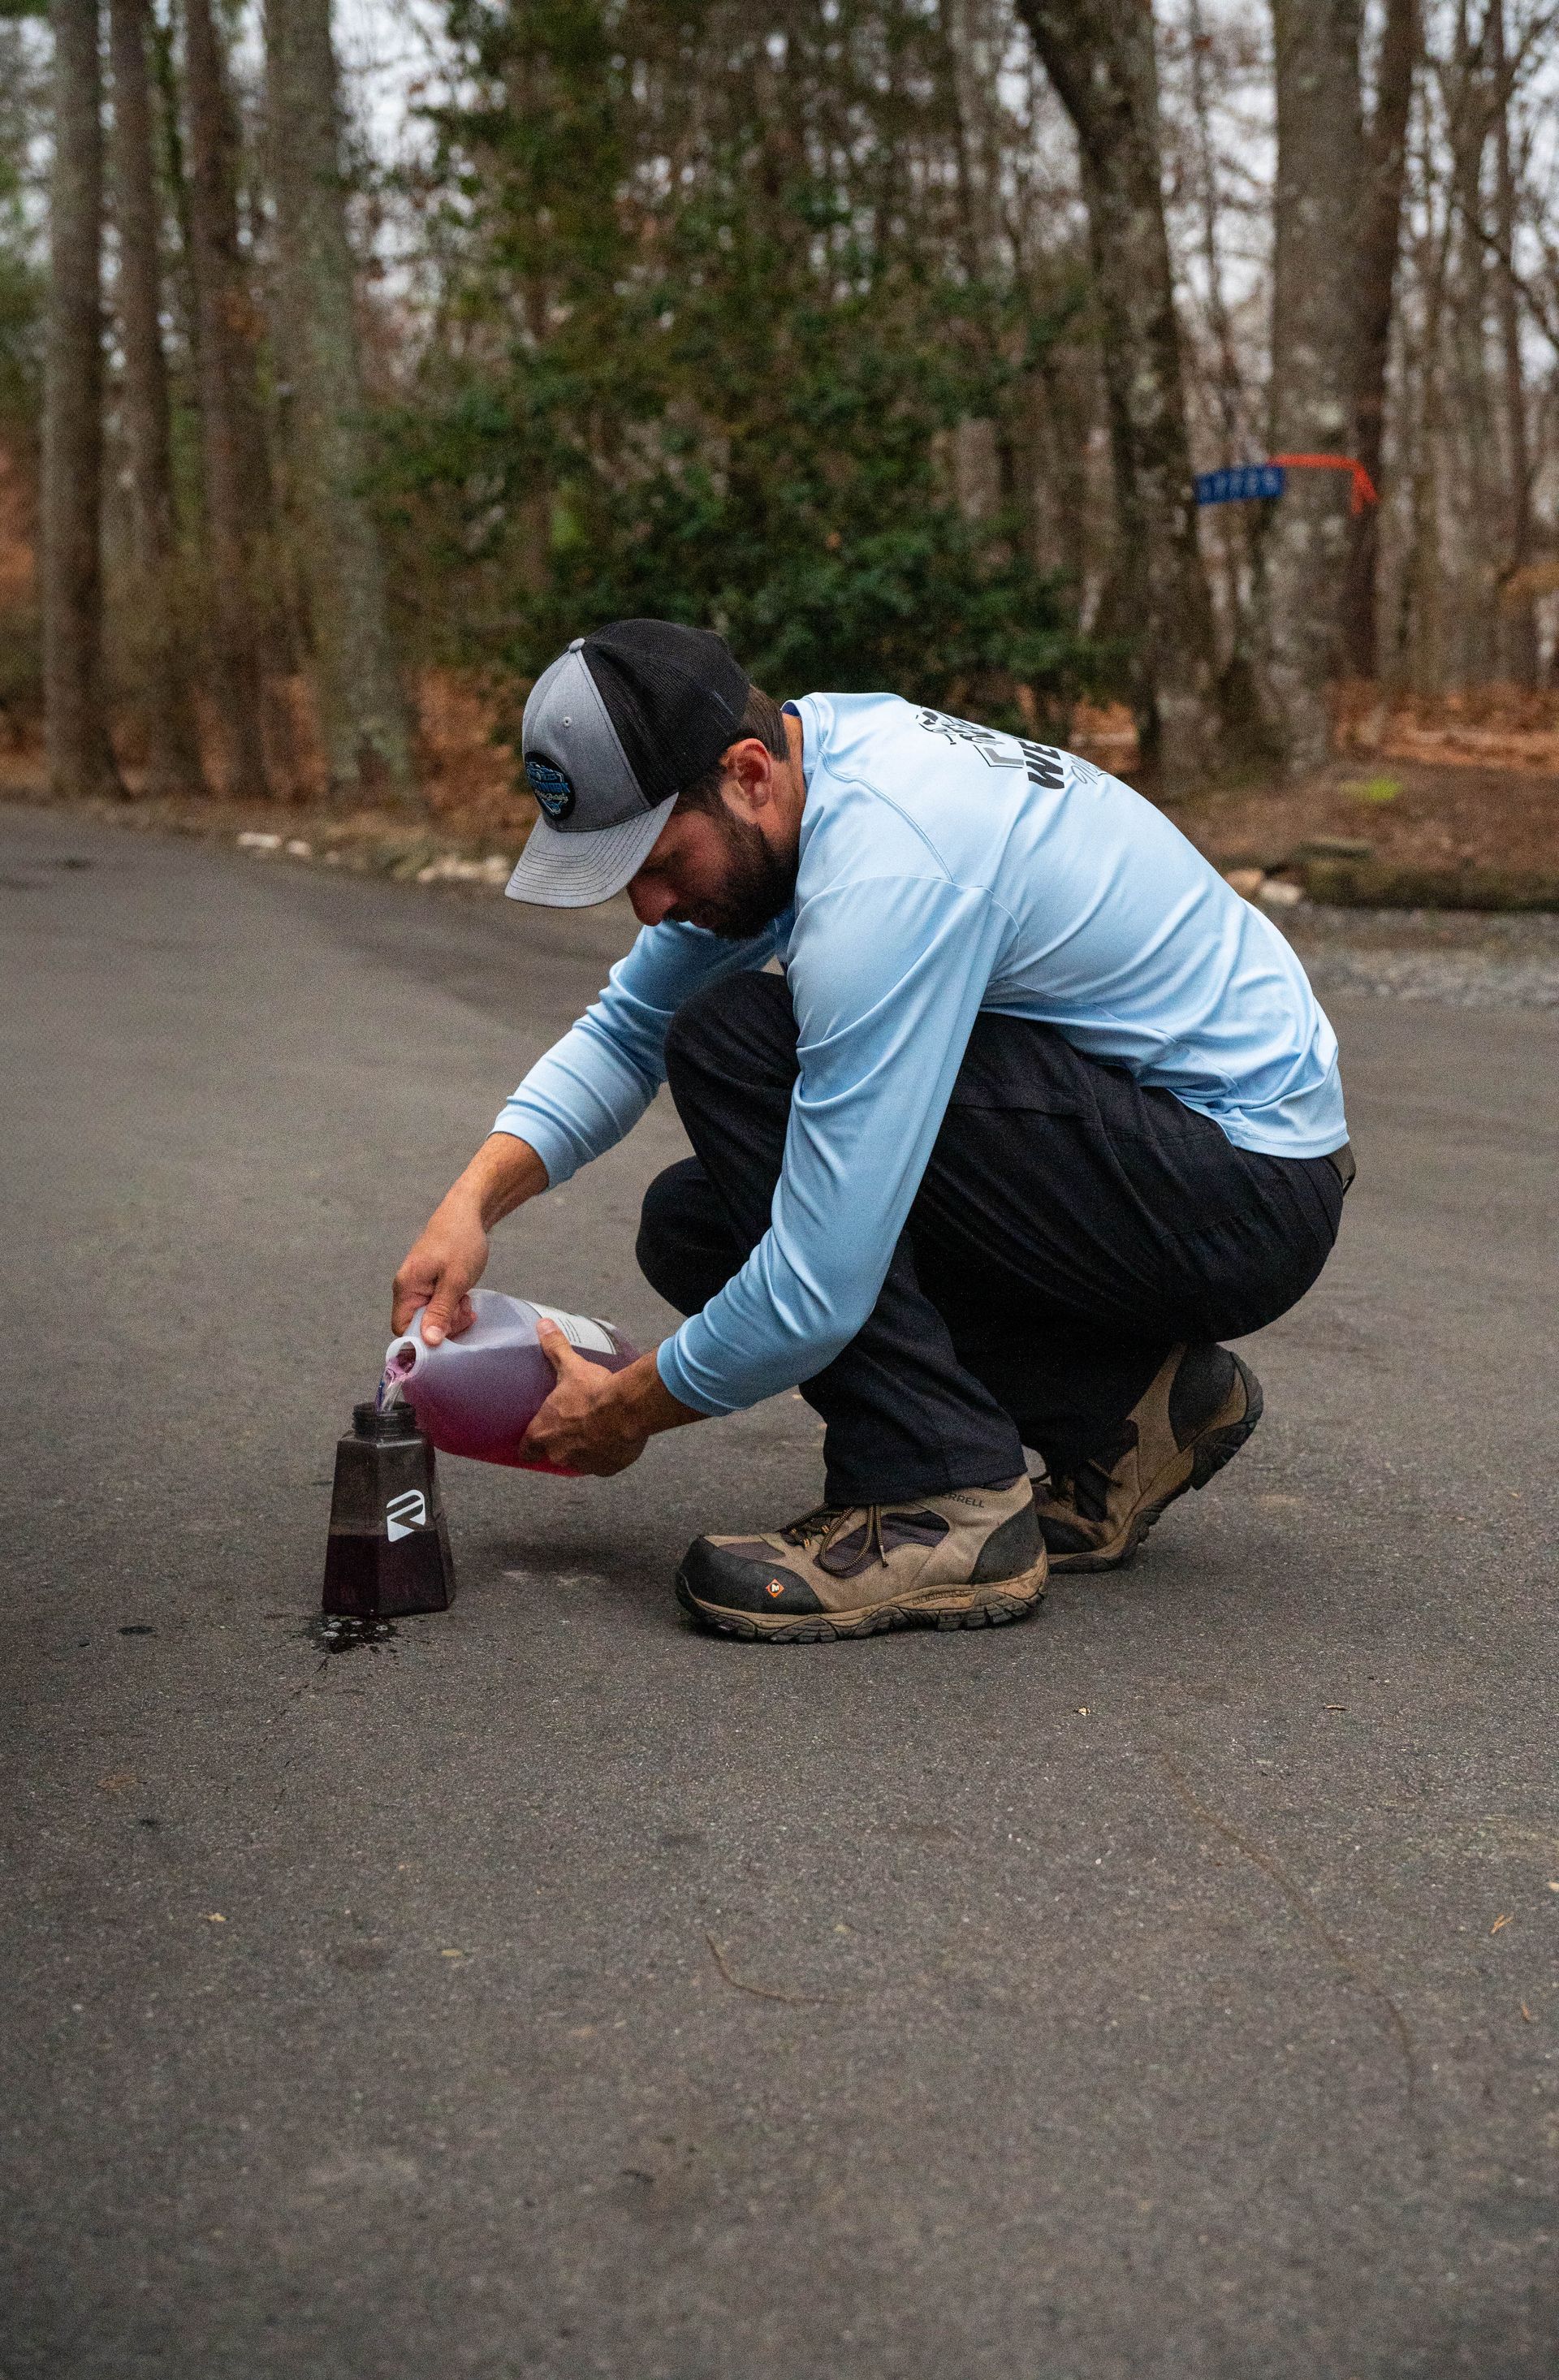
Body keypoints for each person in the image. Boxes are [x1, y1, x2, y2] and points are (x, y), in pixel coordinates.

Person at [393, 619, 1352, 1644]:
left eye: (661, 860)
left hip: (1235, 1182)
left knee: (735, 1045)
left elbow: (818, 1288)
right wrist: (471, 1202)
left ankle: (937, 1499)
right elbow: (631, 1027)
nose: (648, 905)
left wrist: (626, 1408)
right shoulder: (821, 765)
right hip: (1181, 1158)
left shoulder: (887, 873)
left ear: (749, 773)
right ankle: (1126, 1409)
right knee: (702, 1224)